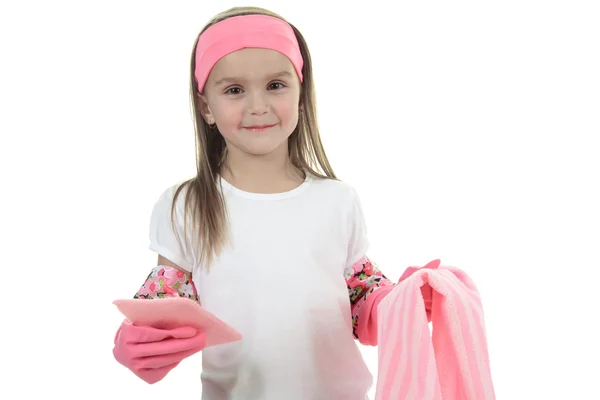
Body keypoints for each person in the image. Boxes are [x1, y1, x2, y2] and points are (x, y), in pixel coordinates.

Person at [112, 6, 399, 399]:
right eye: (234, 90)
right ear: (206, 107)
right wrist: (142, 338)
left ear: (301, 92)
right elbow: (164, 304)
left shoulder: (338, 200)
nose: (258, 106)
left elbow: (360, 295)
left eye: (276, 85)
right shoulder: (187, 205)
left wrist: (403, 304)